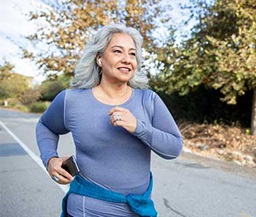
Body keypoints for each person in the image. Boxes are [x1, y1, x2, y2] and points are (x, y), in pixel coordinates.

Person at [36, 23, 183, 217]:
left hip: (138, 210)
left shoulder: (149, 100)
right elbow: (46, 126)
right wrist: (50, 159)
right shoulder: (71, 100)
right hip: (86, 210)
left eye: (132, 54)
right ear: (99, 59)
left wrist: (139, 127)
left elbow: (174, 148)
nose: (126, 60)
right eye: (117, 51)